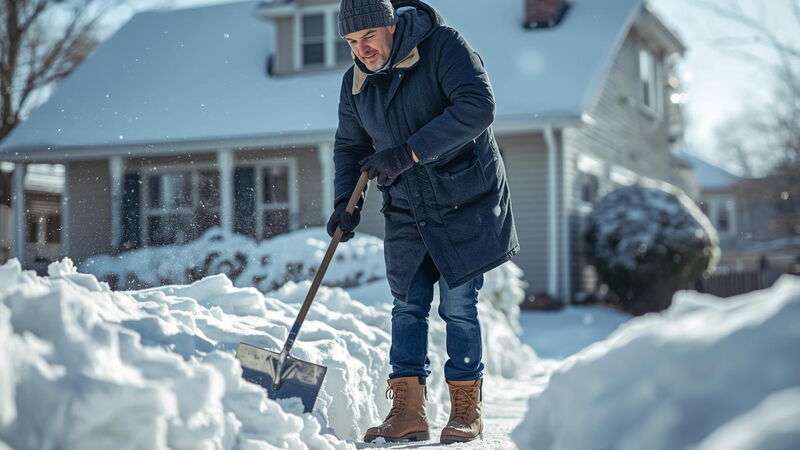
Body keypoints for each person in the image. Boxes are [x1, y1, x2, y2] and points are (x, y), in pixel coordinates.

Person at [326, 0, 518, 444]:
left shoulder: (444, 47)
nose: (362, 50)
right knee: (407, 305)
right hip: (406, 204)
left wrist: (408, 152)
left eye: (369, 36)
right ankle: (408, 411)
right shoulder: (355, 83)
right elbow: (348, 147)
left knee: (458, 306)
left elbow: (477, 107)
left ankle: (466, 409)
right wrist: (344, 203)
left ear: (392, 25)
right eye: (352, 42)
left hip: (464, 198)